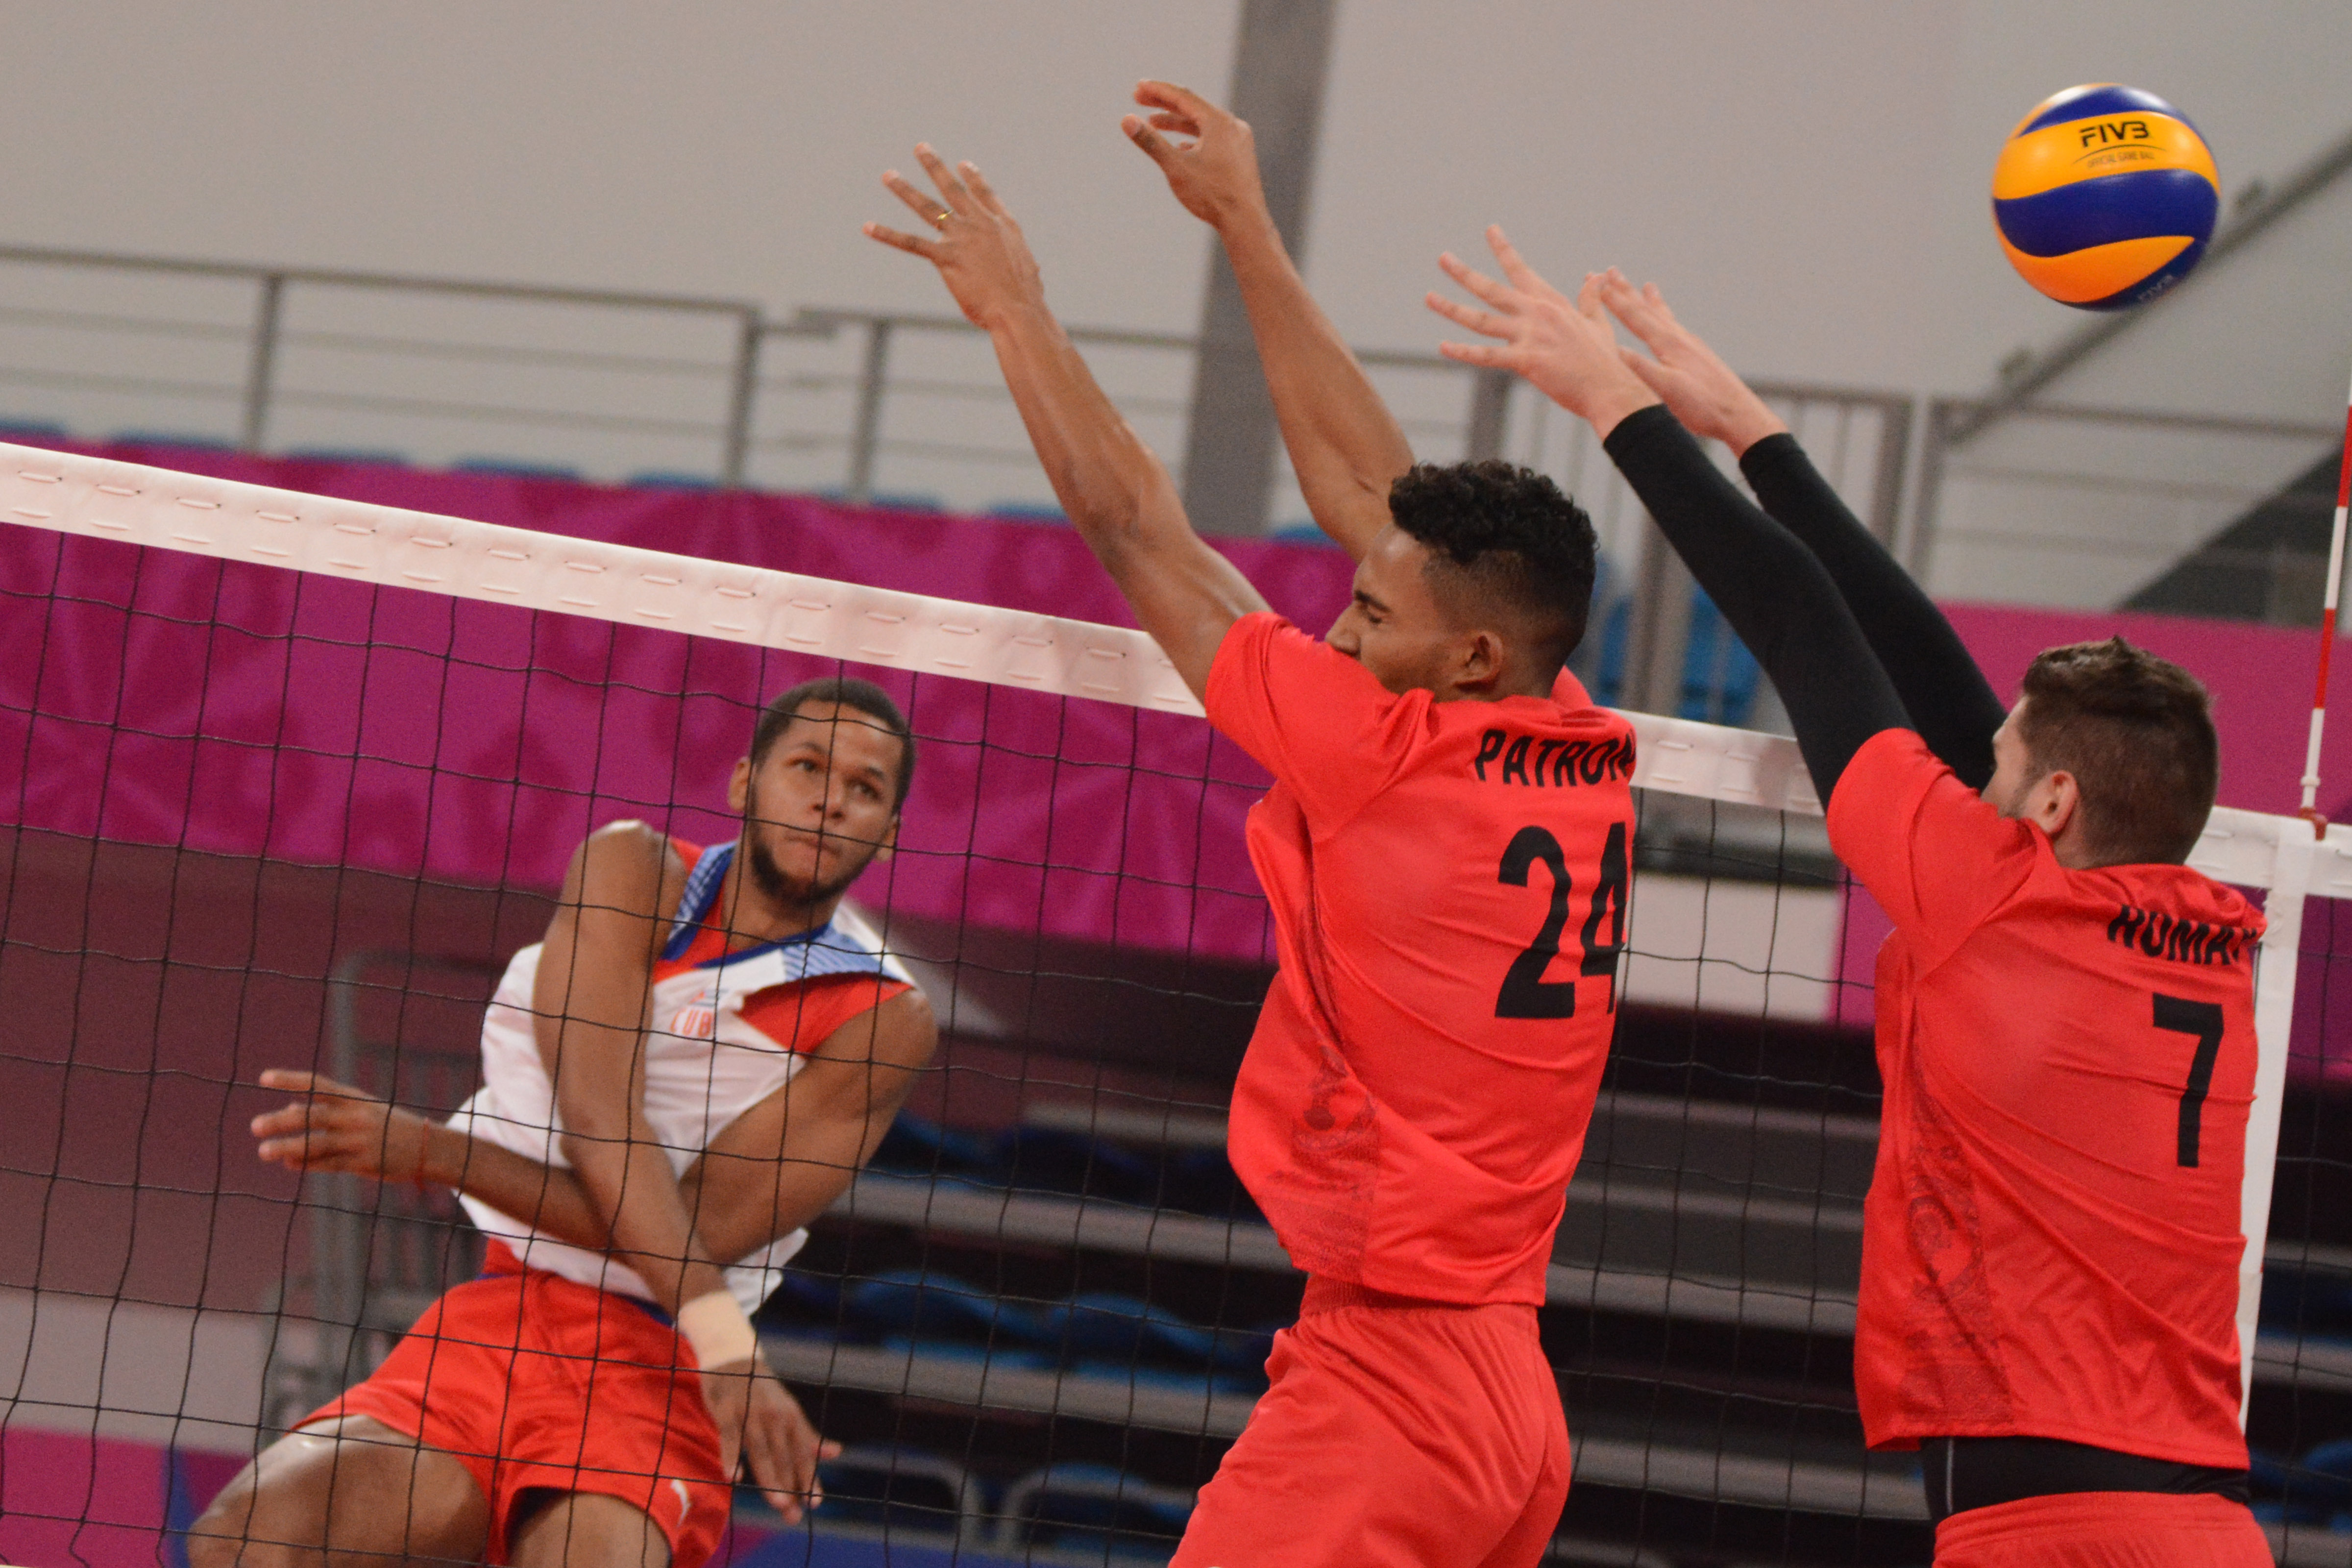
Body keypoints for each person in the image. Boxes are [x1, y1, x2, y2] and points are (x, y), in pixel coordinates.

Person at [1428, 235, 2271, 1566]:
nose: (1968, 766)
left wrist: (1616, 410)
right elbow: (1934, 678)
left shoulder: (1997, 907)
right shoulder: (2205, 937)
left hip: (2049, 1533)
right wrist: (1763, 439)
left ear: (2050, 809)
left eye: (1998, 767)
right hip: (2204, 1527)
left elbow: (1808, 627)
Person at [864, 132, 1626, 1566]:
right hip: (1510, 1398)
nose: (1339, 628)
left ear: (1466, 657)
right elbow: (1382, 505)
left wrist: (1014, 307)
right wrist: (1246, 227)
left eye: (1368, 622)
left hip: (1392, 1390)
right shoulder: (1576, 738)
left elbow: (1129, 521)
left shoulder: (1382, 761)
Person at [191, 677, 938, 1568]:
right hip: (497, 1322)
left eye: (864, 789)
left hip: (654, 1369)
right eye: (808, 766)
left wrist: (436, 1153)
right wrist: (729, 1344)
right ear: (745, 784)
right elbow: (599, 1113)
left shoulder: (881, 1017)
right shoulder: (632, 869)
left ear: (887, 835)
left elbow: (679, 1234)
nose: (828, 799)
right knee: (249, 1544)